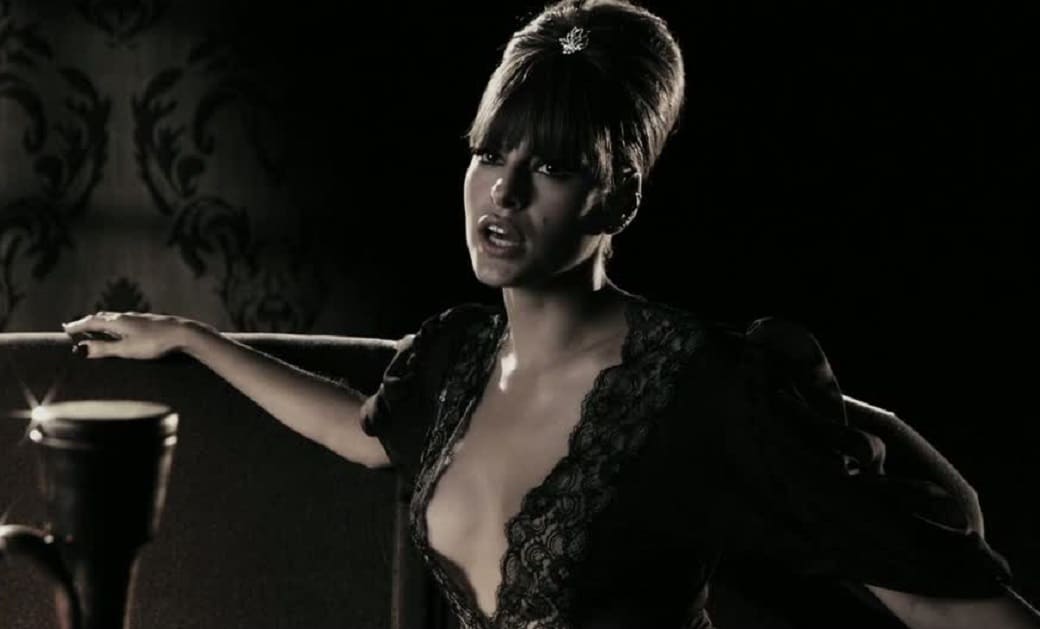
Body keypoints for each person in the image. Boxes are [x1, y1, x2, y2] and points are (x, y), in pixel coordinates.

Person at [60, 1, 1039, 628]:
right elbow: (361, 434)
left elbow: (951, 607)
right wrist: (194, 338)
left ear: (618, 200)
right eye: (491, 154)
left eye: (554, 167)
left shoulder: (705, 389)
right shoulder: (452, 357)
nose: (504, 191)